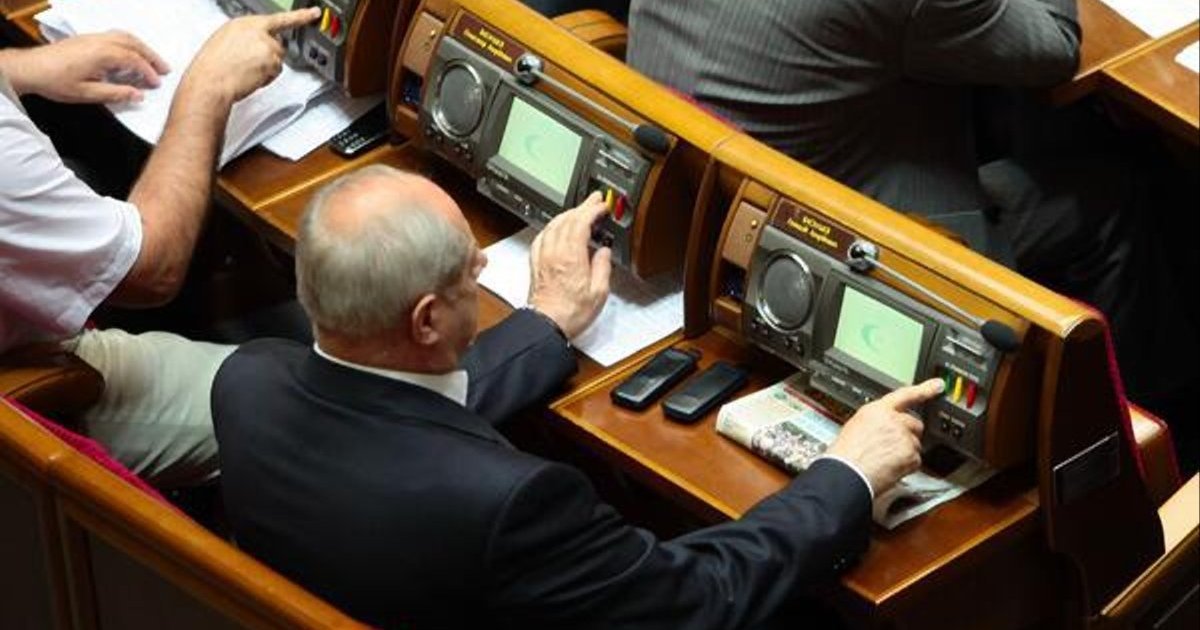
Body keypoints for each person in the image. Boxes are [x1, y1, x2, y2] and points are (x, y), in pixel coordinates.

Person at [212, 164, 943, 628]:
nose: (481, 267)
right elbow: (701, 598)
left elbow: (396, 417)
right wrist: (845, 474)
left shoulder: (248, 381)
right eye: (469, 271)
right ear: (427, 321)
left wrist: (545, 323)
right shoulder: (512, 503)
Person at [625, 0, 1197, 458]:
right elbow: (1053, 44)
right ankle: (1147, 437)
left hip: (701, 218)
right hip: (860, 265)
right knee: (1114, 195)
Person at [0, 6, 321, 487]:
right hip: (24, 378)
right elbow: (150, 271)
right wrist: (208, 88)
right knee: (306, 406)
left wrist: (16, 68)